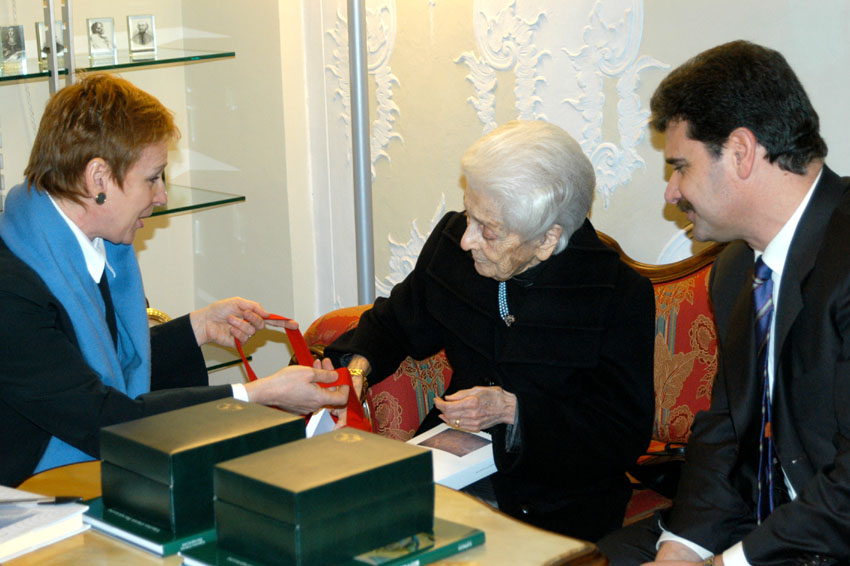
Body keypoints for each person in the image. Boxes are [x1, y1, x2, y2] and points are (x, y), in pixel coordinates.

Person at [0, 72, 349, 487]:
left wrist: (198, 328)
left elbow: (110, 370)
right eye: (153, 178)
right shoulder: (11, 291)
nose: (162, 196)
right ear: (98, 179)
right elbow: (105, 421)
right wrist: (256, 396)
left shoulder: (75, 247)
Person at [326, 120, 655, 542]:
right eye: (470, 216)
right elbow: (395, 322)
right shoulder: (454, 249)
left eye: (489, 230)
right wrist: (355, 371)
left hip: (554, 498)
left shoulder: (615, 295)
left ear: (547, 239)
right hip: (449, 468)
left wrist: (513, 411)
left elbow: (620, 434)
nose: (467, 240)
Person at [598, 40, 850, 565]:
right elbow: (726, 431)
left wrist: (730, 563)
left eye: (680, 166)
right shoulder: (736, 270)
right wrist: (681, 549)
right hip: (766, 526)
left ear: (740, 152)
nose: (671, 192)